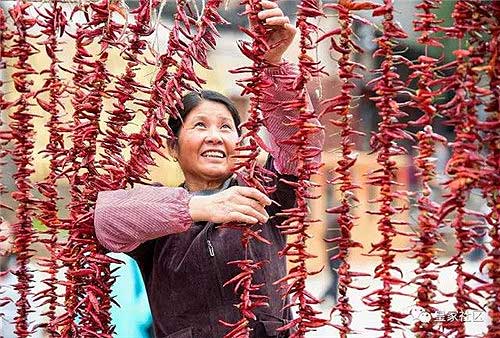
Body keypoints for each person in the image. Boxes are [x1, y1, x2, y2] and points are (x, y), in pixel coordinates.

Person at [94, 1, 325, 337]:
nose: (215, 137)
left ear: (240, 141)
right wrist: (198, 206)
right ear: (173, 146)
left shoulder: (263, 196)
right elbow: (104, 217)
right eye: (200, 125)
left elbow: (301, 146)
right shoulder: (156, 208)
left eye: (226, 127)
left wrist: (273, 67)